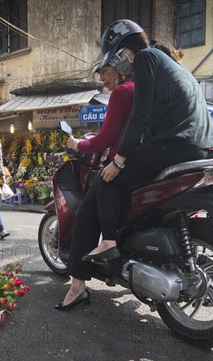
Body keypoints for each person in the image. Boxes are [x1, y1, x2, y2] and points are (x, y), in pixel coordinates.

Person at [57, 19, 213, 310]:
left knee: (108, 179)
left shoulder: (145, 58)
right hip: (207, 146)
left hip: (177, 146)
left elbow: (140, 118)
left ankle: (104, 249)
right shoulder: (173, 64)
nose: (120, 64)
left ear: (123, 52)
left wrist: (119, 161)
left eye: (117, 59)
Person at [55, 49, 135, 310]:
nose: (102, 78)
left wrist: (79, 144)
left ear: (120, 68)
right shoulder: (149, 89)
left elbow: (106, 139)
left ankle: (77, 286)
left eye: (104, 71)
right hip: (153, 161)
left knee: (85, 217)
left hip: (123, 164)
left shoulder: (123, 92)